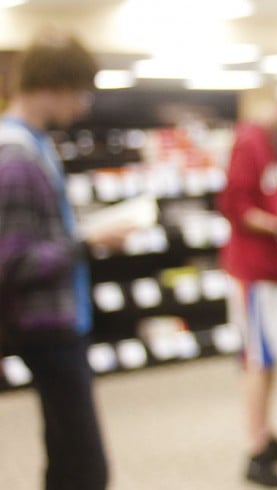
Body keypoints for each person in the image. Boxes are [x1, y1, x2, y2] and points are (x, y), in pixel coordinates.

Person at [0, 31, 126, 490]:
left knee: (67, 456)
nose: (83, 106)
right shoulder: (15, 157)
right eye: (79, 92)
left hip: (57, 323)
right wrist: (87, 242)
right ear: (53, 85)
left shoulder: (33, 143)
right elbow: (10, 264)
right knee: (84, 467)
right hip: (45, 330)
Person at [217, 101, 277, 487]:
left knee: (272, 356)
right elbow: (234, 205)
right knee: (257, 359)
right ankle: (255, 451)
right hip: (253, 273)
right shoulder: (249, 142)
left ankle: (266, 435)